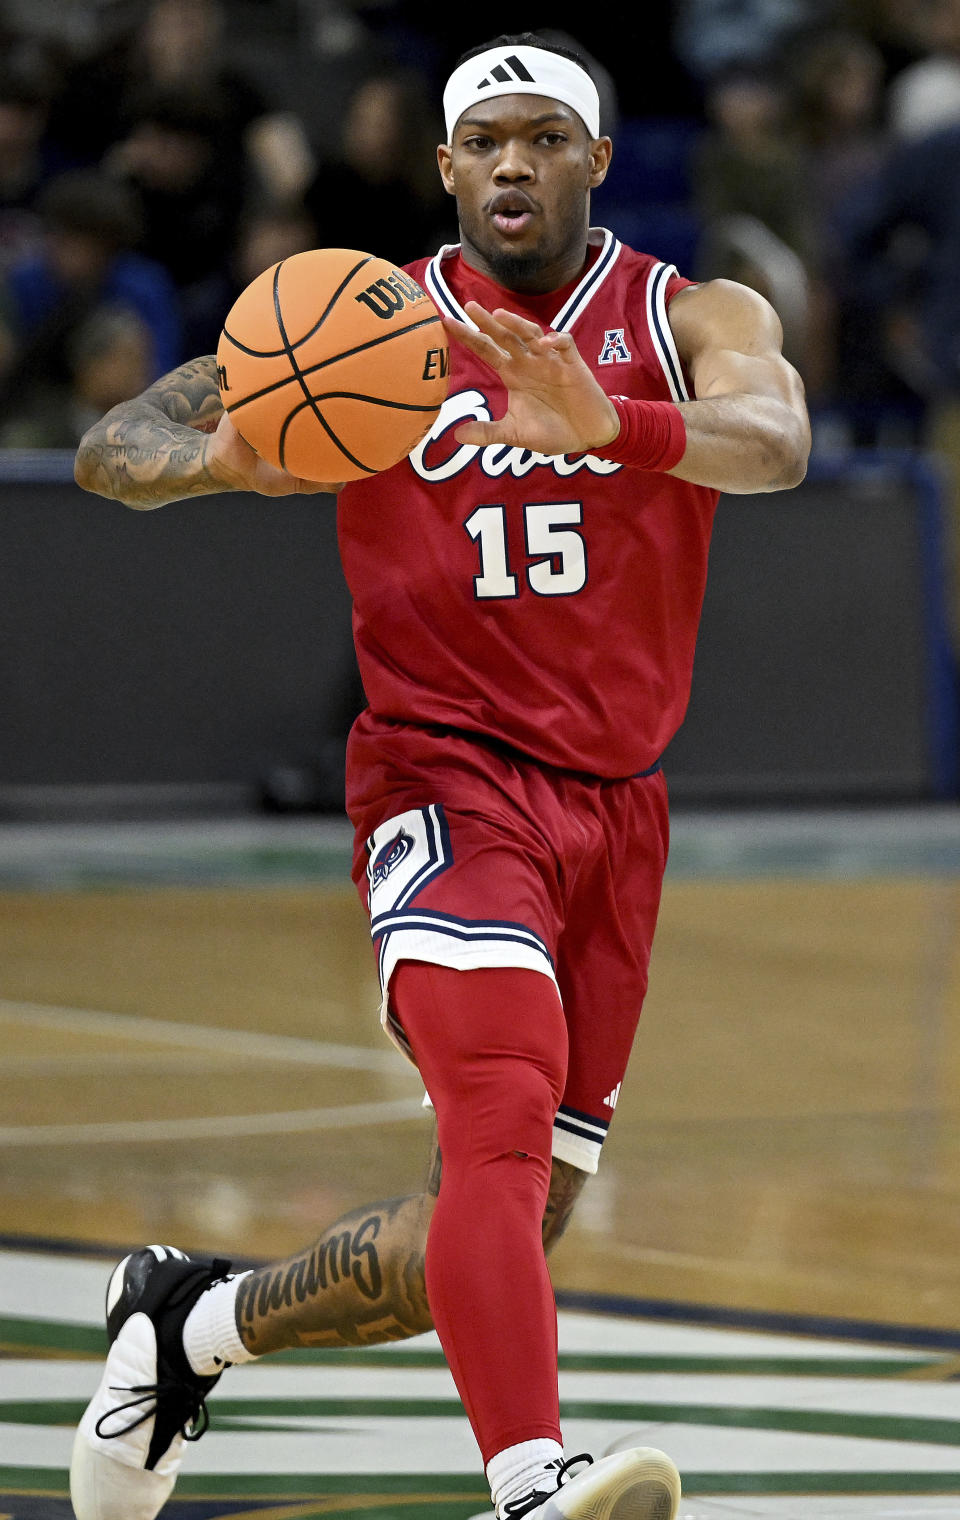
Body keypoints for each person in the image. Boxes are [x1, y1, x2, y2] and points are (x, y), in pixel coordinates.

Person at [68, 30, 810, 1520]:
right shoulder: (369, 325)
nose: (515, 163)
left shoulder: (688, 315)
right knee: (495, 1116)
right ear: (447, 166)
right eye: (488, 140)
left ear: (598, 161)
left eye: (547, 137)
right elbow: (112, 445)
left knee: (508, 1226)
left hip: (618, 804)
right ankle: (531, 1483)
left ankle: (191, 1323)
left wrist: (619, 427)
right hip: (440, 774)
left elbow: (778, 440)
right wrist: (233, 455)